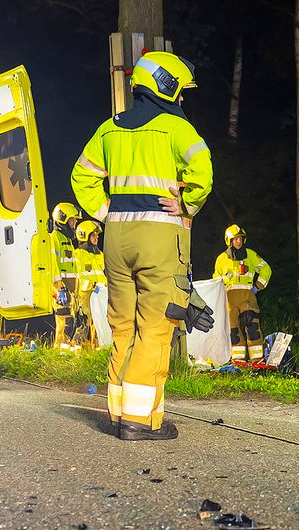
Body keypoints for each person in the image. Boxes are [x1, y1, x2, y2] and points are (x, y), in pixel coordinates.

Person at [71, 50, 214, 440]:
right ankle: (141, 421)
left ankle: (118, 414)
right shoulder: (176, 129)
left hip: (117, 239)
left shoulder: (108, 130)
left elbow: (81, 177)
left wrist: (105, 213)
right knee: (155, 328)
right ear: (165, 86)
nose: (183, 99)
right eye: (181, 91)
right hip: (158, 238)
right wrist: (188, 203)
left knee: (122, 328)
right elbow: (203, 171)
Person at [213, 224, 272, 363]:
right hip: (230, 301)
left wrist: (258, 286)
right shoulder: (221, 259)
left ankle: (257, 360)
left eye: (240, 238)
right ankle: (238, 361)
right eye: (235, 239)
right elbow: (216, 281)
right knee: (234, 331)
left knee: (253, 327)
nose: (238, 241)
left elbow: (266, 270)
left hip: (248, 298)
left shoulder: (251, 255)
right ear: (229, 240)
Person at [49, 203, 82, 348]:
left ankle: (67, 349)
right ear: (62, 219)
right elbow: (52, 263)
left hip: (72, 287)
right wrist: (59, 287)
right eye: (72, 220)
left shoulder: (67, 240)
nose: (74, 224)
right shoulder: (53, 238)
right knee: (64, 319)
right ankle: (60, 351)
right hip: (61, 288)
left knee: (73, 320)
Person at [76, 220, 112, 349]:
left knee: (100, 322)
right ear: (85, 235)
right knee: (88, 322)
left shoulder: (100, 254)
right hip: (86, 294)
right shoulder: (78, 254)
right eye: (94, 235)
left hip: (101, 293)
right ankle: (86, 347)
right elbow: (80, 275)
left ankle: (99, 347)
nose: (97, 237)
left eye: (97, 235)